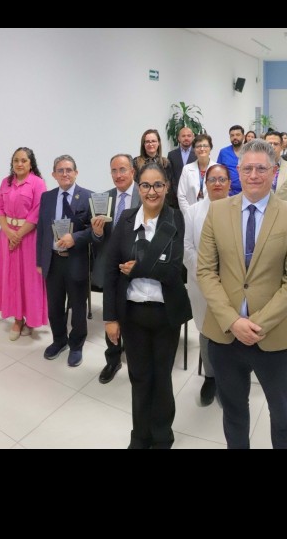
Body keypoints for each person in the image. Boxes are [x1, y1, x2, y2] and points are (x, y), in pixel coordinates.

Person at [196, 139, 287, 449]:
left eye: (261, 168)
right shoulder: (218, 211)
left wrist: (257, 323)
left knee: (282, 412)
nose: (254, 175)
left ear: (274, 172)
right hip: (225, 334)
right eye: (247, 169)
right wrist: (233, 321)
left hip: (274, 335)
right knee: (233, 412)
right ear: (239, 172)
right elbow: (206, 271)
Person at [103, 161, 192, 448]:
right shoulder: (126, 219)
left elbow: (174, 270)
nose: (151, 191)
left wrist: (138, 268)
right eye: (145, 185)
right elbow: (111, 269)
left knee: (162, 378)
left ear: (167, 187)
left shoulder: (175, 219)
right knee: (139, 378)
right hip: (132, 314)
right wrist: (110, 318)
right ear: (137, 187)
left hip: (165, 314)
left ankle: (162, 435)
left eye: (157, 185)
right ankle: (140, 436)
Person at [36, 155, 103, 367]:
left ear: (76, 172)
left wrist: (75, 238)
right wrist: (40, 261)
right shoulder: (47, 197)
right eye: (60, 170)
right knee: (54, 306)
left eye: (68, 170)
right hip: (53, 261)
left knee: (78, 306)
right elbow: (41, 231)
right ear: (54, 174)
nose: (65, 174)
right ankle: (59, 341)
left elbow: (95, 230)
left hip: (76, 260)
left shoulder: (89, 197)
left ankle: (76, 345)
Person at [184, 164, 232, 406]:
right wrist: (206, 275)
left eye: (222, 179)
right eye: (212, 179)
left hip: (233, 284)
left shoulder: (239, 209)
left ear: (229, 183)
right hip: (201, 282)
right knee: (206, 329)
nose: (217, 184)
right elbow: (187, 248)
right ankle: (211, 377)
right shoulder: (193, 212)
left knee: (230, 327)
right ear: (206, 183)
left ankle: (229, 379)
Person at [91, 154, 141, 384]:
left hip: (136, 266)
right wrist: (97, 232)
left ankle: (135, 356)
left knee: (135, 314)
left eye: (122, 169)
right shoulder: (104, 199)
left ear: (132, 171)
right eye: (114, 170)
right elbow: (97, 239)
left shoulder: (144, 194)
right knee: (110, 313)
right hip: (111, 268)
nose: (118, 175)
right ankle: (112, 359)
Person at [0, 147, 48, 339]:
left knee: (29, 279)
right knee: (12, 278)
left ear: (31, 163)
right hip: (7, 236)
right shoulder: (6, 182)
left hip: (28, 237)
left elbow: (37, 212)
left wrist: (18, 235)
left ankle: (31, 319)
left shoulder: (38, 183)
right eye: (16, 160)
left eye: (24, 160)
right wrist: (9, 233)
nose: (19, 164)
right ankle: (17, 319)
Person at [177, 133, 215, 216]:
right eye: (198, 146)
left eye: (205, 146)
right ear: (194, 150)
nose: (202, 149)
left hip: (212, 214)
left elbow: (221, 195)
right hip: (190, 213)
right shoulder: (187, 169)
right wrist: (189, 213)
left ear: (210, 148)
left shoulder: (217, 169)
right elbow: (181, 195)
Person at [133, 129, 174, 206]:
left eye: (153, 141)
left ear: (158, 143)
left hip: (161, 203)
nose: (150, 144)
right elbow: (135, 185)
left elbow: (168, 186)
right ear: (143, 144)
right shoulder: (136, 162)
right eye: (147, 141)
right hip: (141, 202)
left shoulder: (165, 163)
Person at [167, 126, 196, 194]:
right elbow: (169, 176)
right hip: (175, 194)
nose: (186, 138)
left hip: (194, 193)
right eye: (183, 136)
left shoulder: (198, 154)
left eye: (189, 136)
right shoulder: (171, 155)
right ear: (178, 138)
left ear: (193, 137)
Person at [218, 125, 246, 196]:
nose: (235, 137)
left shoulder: (250, 151)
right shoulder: (224, 152)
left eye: (238, 135)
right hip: (229, 193)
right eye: (232, 135)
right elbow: (218, 171)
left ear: (243, 136)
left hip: (247, 192)